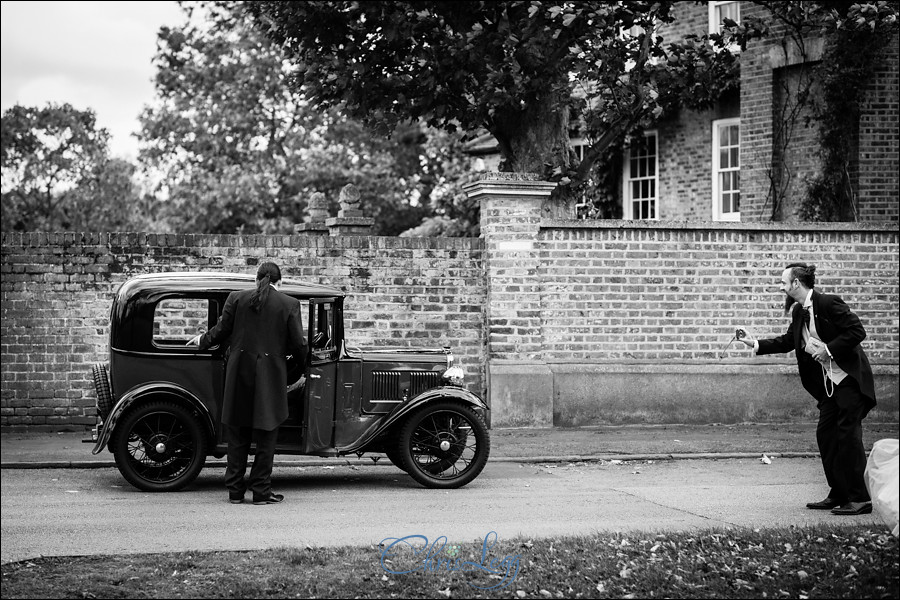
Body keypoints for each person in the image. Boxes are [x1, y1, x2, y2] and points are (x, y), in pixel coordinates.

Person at [738, 263, 876, 516]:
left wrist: (829, 349)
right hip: (828, 387)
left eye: (783, 281)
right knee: (826, 437)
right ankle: (839, 493)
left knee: (848, 438)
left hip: (849, 382)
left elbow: (857, 331)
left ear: (796, 284)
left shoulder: (829, 303)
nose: (780, 286)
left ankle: (860, 499)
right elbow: (789, 341)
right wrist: (754, 342)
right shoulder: (799, 311)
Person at [188, 262, 307, 505]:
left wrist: (202, 339)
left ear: (256, 280)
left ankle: (235, 491)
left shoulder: (236, 298)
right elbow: (298, 344)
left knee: (237, 435)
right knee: (266, 437)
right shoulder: (289, 304)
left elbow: (221, 331)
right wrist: (304, 367)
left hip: (238, 375)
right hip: (270, 378)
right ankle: (261, 492)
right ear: (279, 282)